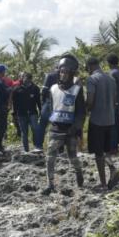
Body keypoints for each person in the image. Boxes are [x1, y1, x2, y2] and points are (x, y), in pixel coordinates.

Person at [43, 56, 85, 195]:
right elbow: (50, 105)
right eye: (61, 71)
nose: (63, 74)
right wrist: (51, 120)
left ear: (72, 73)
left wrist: (76, 128)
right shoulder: (53, 88)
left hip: (71, 129)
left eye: (66, 72)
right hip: (56, 128)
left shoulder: (77, 90)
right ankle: (50, 184)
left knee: (72, 157)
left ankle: (79, 173)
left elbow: (81, 112)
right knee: (50, 157)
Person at [85, 57, 119, 190]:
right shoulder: (111, 79)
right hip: (110, 119)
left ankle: (103, 183)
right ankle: (113, 169)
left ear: (89, 67)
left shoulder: (92, 79)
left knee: (98, 153)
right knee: (106, 150)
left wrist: (86, 109)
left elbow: (90, 100)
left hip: (97, 120)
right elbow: (113, 100)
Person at [12, 72, 42, 152]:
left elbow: (38, 101)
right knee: (24, 133)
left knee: (35, 130)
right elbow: (15, 103)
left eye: (28, 78)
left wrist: (41, 111)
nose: (25, 80)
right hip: (21, 114)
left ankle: (37, 148)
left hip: (33, 113)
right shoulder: (17, 89)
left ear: (30, 79)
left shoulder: (35, 88)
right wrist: (14, 114)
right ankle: (26, 150)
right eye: (24, 78)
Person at [0, 65, 12, 153]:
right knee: (1, 127)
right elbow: (6, 93)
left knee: (0, 126)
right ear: (2, 72)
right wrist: (11, 89)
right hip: (1, 107)